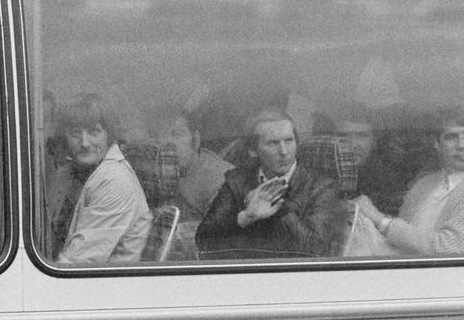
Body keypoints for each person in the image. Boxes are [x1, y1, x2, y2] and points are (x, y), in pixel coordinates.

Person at [196, 107, 341, 259]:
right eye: (273, 143)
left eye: (289, 141)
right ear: (253, 149)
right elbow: (203, 241)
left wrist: (278, 207)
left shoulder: (321, 186)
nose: (284, 151)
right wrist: (245, 217)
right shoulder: (237, 181)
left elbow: (315, 249)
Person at [44, 93, 151, 264]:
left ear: (109, 135)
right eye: (75, 133)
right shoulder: (76, 173)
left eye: (94, 132)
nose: (85, 142)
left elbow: (76, 265)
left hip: (108, 287)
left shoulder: (114, 182)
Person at [355, 107, 464, 256]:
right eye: (451, 137)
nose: (461, 145)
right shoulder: (424, 184)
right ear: (437, 144)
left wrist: (380, 220)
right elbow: (399, 243)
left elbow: (449, 247)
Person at [155, 112, 233, 222]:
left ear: (196, 140)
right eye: (159, 137)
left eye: (177, 135)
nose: (167, 144)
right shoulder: (159, 171)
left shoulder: (219, 180)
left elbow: (216, 234)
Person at [333, 104, 405, 216]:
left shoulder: (388, 183)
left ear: (374, 141)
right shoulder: (317, 178)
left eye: (361, 136)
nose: (353, 145)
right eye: (345, 137)